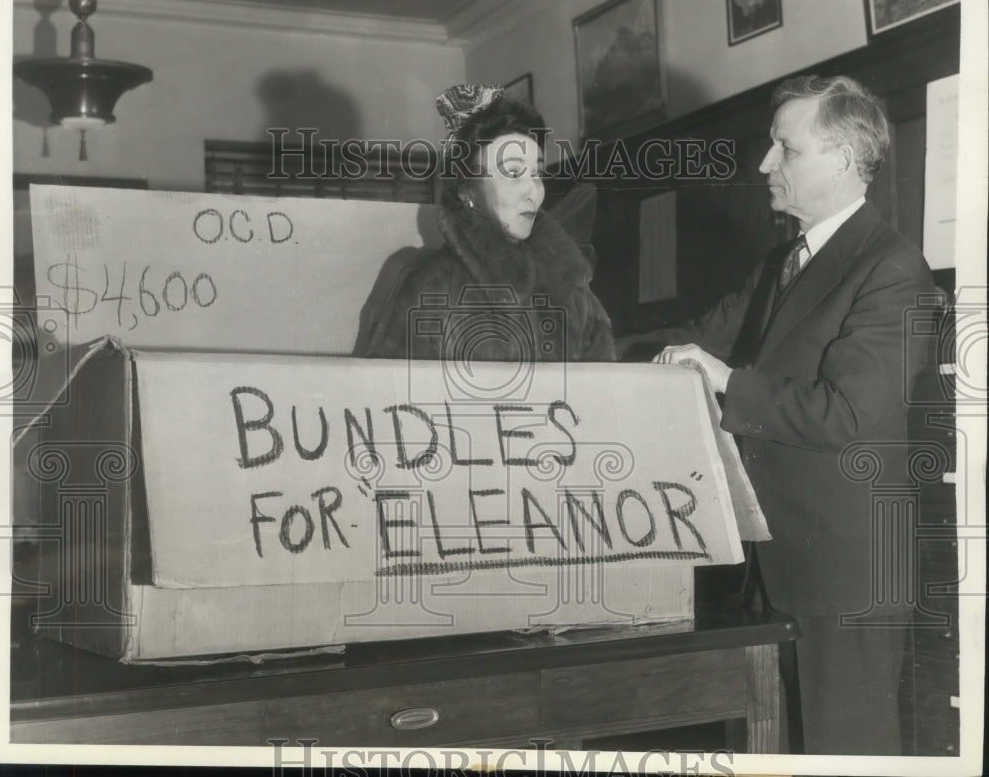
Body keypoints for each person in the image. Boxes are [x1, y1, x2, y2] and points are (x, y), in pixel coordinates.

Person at [651, 75, 935, 755]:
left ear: (840, 158)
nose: (764, 165)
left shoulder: (892, 268)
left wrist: (726, 380)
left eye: (785, 148)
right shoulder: (785, 261)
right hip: (773, 568)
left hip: (846, 580)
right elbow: (696, 340)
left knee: (845, 754)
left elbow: (849, 417)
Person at [360, 84, 615, 363]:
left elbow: (607, 395)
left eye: (538, 173)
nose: (534, 191)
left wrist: (662, 371)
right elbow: (387, 393)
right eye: (514, 173)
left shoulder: (570, 285)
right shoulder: (433, 282)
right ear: (468, 190)